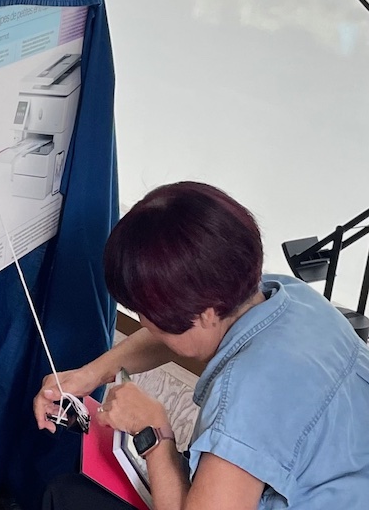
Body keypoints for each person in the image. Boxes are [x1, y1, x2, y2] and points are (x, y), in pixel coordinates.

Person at [33, 181, 369, 510]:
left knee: (68, 495)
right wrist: (92, 374)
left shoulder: (243, 404)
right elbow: (178, 332)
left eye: (148, 314)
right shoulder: (290, 296)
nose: (145, 322)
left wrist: (154, 434)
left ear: (205, 313)